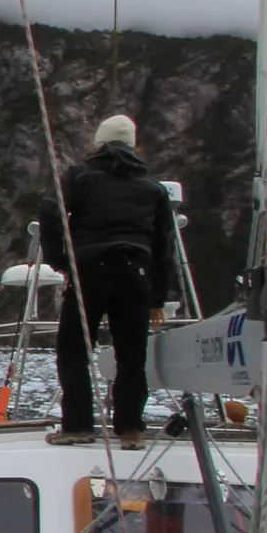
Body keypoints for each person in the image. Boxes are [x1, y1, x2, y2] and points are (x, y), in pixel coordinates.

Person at [40, 114, 175, 449]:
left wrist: (60, 260)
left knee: (74, 349)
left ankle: (77, 425)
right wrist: (158, 298)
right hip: (135, 273)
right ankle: (130, 429)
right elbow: (163, 247)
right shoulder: (153, 188)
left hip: (90, 270)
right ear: (132, 146)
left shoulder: (79, 176)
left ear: (99, 143)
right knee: (131, 354)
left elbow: (49, 209)